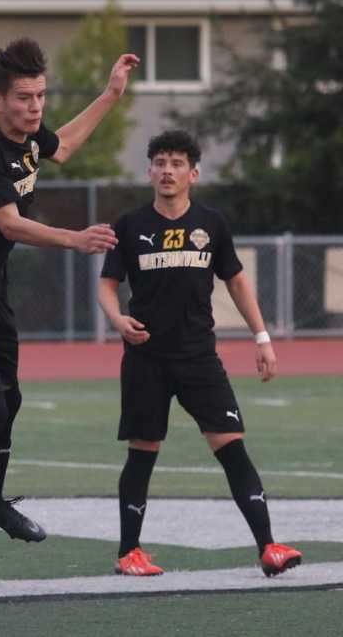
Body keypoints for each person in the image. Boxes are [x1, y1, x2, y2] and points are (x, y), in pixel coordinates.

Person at [0, 38, 139, 590]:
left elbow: (63, 147)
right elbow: (11, 225)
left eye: (40, 95)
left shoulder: (28, 133)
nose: (35, 107)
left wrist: (110, 94)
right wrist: (75, 238)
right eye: (23, 98)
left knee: (9, 402)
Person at [98, 130, 302, 578]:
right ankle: (129, 552)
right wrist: (116, 319)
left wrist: (262, 338)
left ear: (193, 173)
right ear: (149, 170)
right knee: (142, 451)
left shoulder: (211, 223)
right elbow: (108, 283)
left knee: (232, 447)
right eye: (160, 162)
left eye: (176, 163)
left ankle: (268, 547)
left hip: (198, 359)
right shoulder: (130, 225)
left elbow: (236, 281)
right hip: (146, 358)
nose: (167, 171)